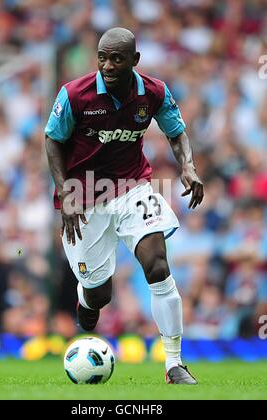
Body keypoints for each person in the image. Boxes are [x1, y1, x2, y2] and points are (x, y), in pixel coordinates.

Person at [45, 28, 204, 385]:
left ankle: (174, 363)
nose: (107, 65)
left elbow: (176, 131)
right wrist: (65, 192)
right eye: (102, 57)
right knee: (100, 295)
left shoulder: (153, 92)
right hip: (84, 198)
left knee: (157, 265)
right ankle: (87, 301)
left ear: (134, 61)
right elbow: (52, 141)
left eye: (116, 58)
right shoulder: (75, 95)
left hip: (132, 187)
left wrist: (188, 167)